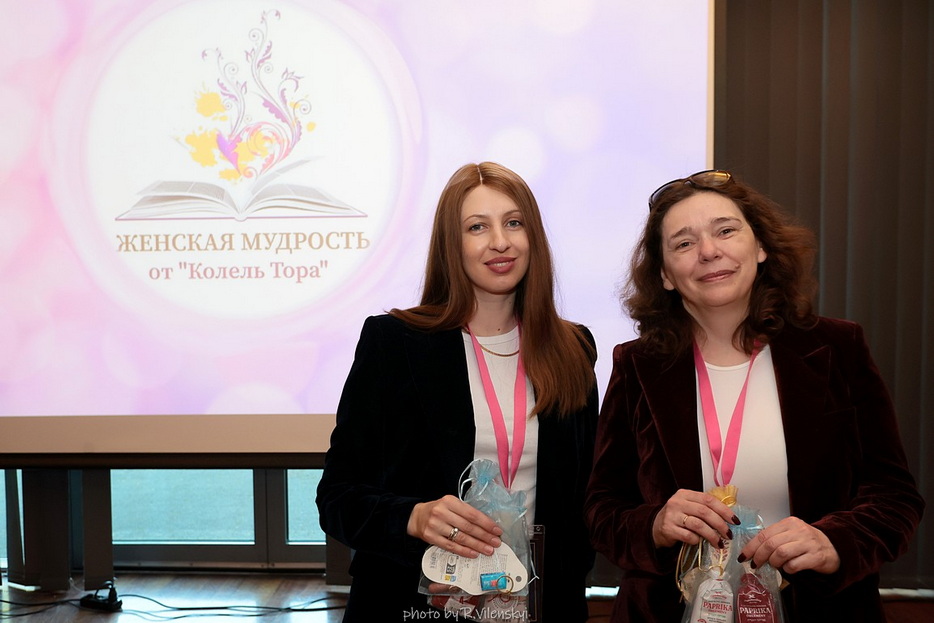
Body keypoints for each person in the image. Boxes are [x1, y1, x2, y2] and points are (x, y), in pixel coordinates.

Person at [584, 170, 924, 622]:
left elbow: (895, 496)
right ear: (665, 274)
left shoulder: (837, 349)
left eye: (725, 231)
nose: (709, 251)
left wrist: (836, 542)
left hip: (820, 609)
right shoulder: (638, 366)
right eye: (684, 243)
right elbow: (602, 510)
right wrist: (654, 524)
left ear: (760, 246)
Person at [317, 162, 599, 621]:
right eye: (477, 227)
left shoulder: (573, 347)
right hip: (416, 605)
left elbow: (583, 499)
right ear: (452, 243)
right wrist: (414, 517)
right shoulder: (394, 344)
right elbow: (337, 496)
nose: (500, 241)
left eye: (514, 222)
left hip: (539, 606)